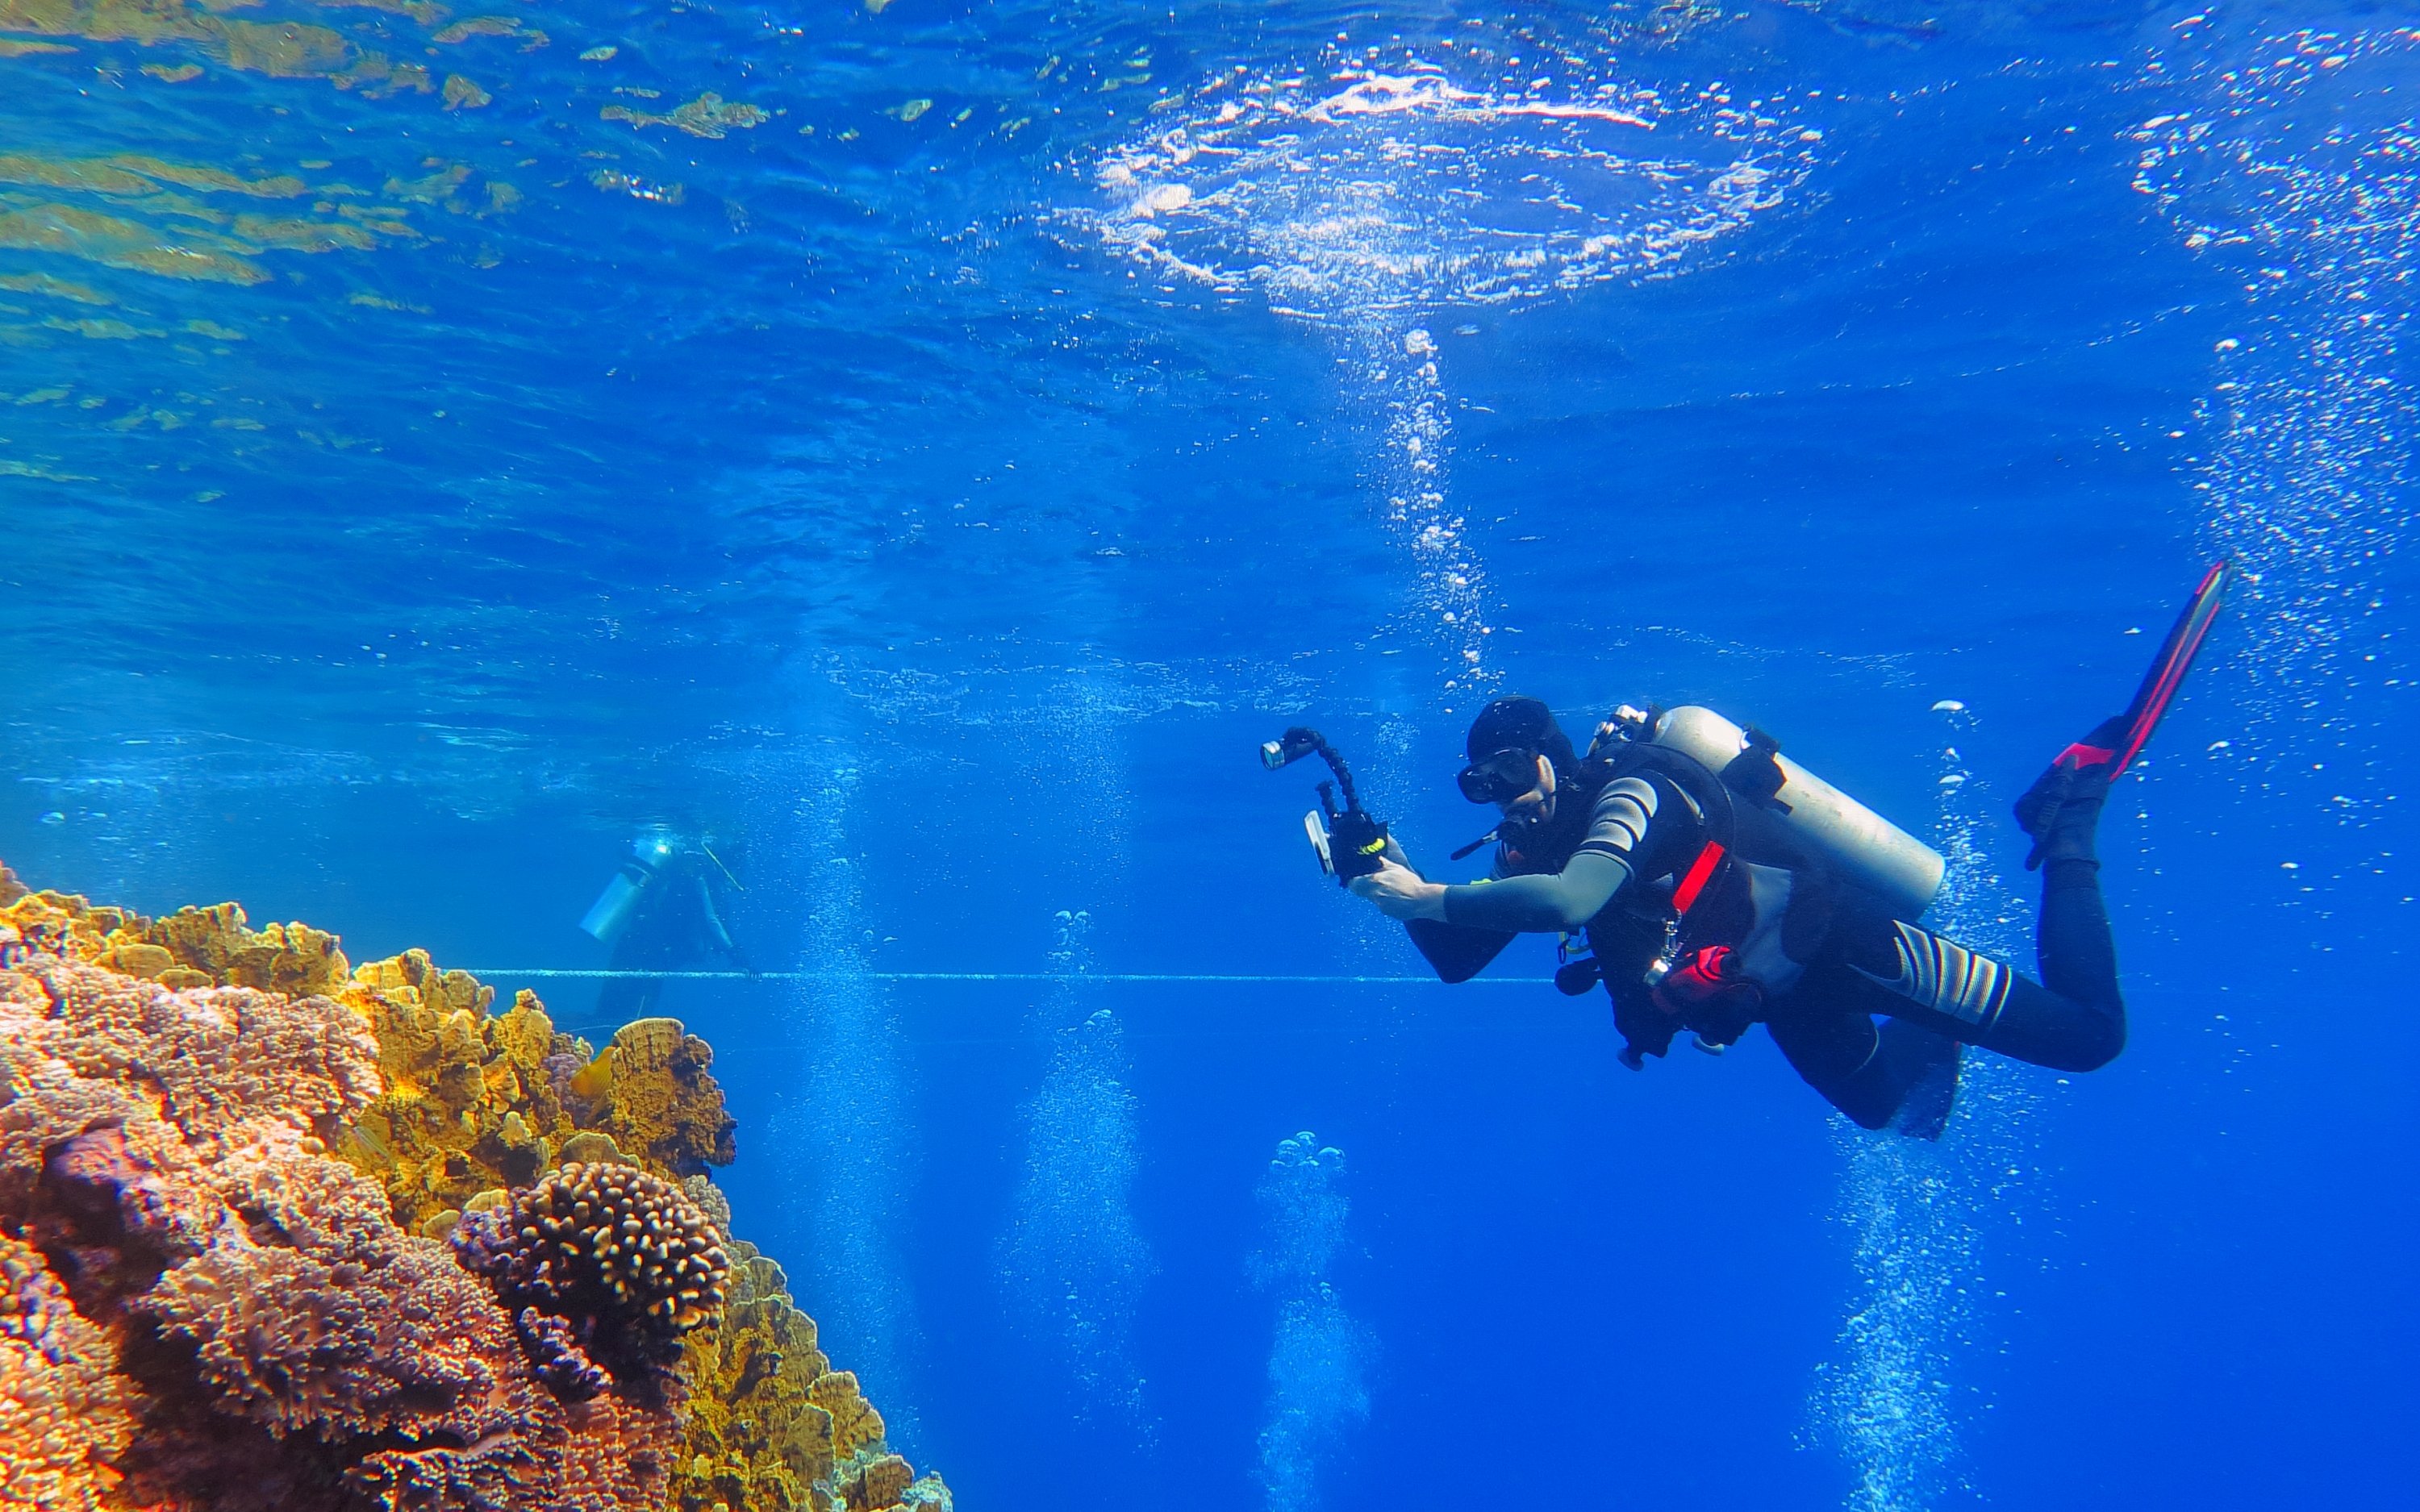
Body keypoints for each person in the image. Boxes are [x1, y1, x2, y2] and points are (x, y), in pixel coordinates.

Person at [1345, 694, 2132, 1138]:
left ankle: (2069, 820)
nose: (1505, 797)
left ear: (1551, 756)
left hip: (1848, 946)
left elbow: (1577, 899)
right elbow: (1458, 959)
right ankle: (1948, 1024)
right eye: (1481, 784)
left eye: (1513, 771)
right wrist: (1388, 868)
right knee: (1896, 1112)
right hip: (1783, 997)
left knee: (2091, 1036)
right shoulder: (1539, 849)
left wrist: (1427, 896)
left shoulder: (1634, 790)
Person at [578, 828, 751, 1023]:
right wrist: (736, 954)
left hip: (635, 945)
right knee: (632, 1024)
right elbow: (713, 919)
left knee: (606, 1018)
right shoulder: (702, 876)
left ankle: (553, 1033)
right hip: (650, 955)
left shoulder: (679, 870)